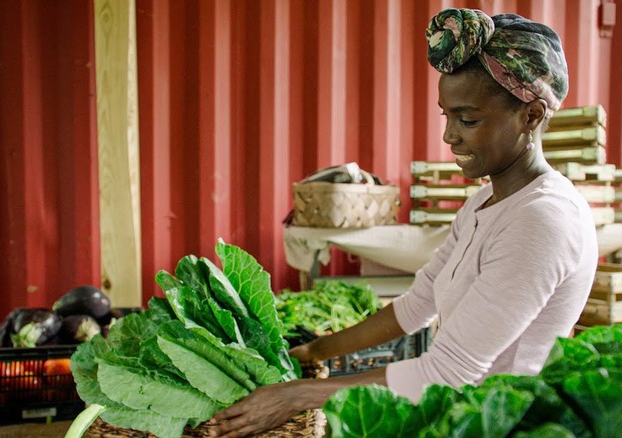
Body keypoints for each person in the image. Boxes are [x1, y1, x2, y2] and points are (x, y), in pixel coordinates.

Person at [208, 8, 598, 437]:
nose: (450, 136)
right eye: (446, 116)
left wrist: (297, 395)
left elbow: (451, 369)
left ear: (532, 116)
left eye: (468, 120)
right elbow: (418, 304)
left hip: (501, 425)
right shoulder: (487, 201)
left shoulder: (542, 220)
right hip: (458, 414)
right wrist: (314, 351)